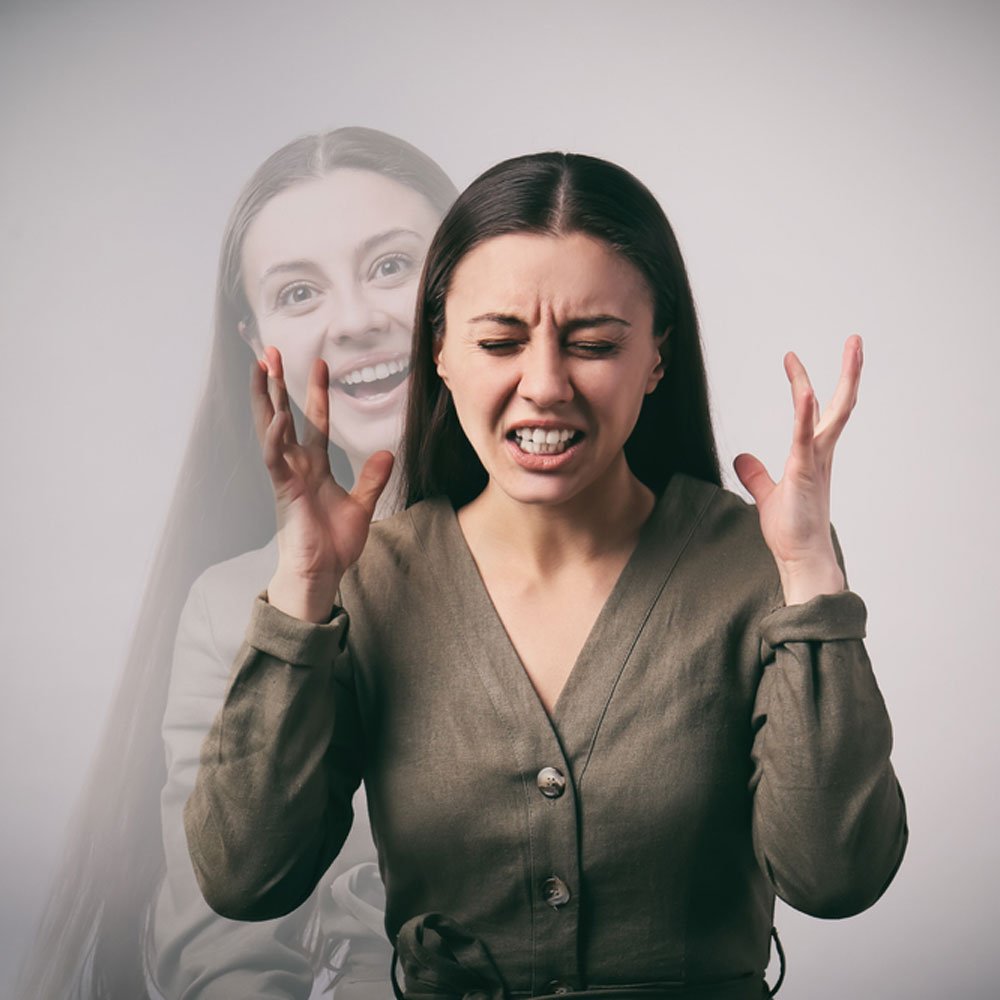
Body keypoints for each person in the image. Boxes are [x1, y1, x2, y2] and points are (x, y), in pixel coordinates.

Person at [184, 152, 908, 1000]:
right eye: (499, 343)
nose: (545, 386)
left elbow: (835, 877)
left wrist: (812, 577)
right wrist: (304, 589)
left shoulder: (759, 565)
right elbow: (245, 878)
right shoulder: (368, 583)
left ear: (658, 357)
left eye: (594, 344)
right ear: (439, 351)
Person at [15, 127, 457, 1000]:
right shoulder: (236, 608)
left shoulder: (645, 543)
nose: (355, 319)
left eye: (391, 266)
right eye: (300, 291)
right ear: (259, 341)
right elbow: (226, 954)